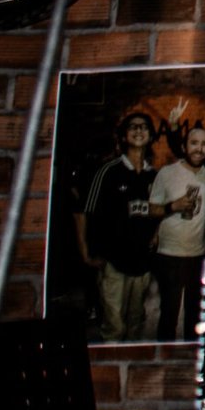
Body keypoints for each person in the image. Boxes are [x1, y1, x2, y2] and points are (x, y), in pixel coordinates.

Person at [76, 108, 160, 340]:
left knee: (135, 325)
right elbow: (82, 212)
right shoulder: (108, 171)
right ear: (124, 136)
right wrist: (85, 253)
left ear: (151, 136)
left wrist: (156, 235)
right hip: (113, 263)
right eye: (133, 126)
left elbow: (160, 213)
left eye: (144, 127)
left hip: (142, 263)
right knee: (114, 327)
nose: (139, 130)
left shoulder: (154, 176)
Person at [149, 120, 205, 341]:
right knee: (169, 315)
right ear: (184, 146)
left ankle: (191, 358)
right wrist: (173, 206)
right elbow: (152, 210)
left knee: (195, 317)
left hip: (197, 255)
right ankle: (166, 358)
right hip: (169, 255)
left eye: (204, 144)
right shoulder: (167, 173)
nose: (199, 148)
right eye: (194, 143)